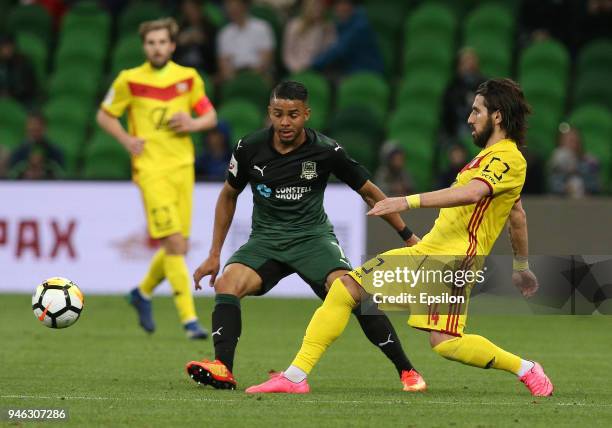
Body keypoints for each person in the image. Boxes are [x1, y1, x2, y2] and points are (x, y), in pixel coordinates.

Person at [246, 78, 554, 397]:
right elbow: (516, 214)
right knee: (346, 288)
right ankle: (296, 376)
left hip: (453, 261)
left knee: (446, 344)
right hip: (430, 253)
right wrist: (520, 266)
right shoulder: (487, 158)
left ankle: (526, 368)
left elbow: (474, 193)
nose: (470, 118)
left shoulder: (508, 157)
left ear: (498, 116)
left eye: (477, 111)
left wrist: (406, 201)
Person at [185, 81, 426, 392]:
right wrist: (215, 253)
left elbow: (369, 191)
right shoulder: (248, 148)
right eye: (278, 114)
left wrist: (407, 235)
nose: (285, 122)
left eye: (293, 115)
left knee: (352, 292)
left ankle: (407, 370)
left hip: (312, 238)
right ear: (269, 113)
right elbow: (228, 195)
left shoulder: (327, 150)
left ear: (307, 114)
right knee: (227, 283)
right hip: (267, 240)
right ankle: (223, 368)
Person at [96, 17, 218, 339]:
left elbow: (210, 116)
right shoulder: (129, 80)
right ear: (144, 47)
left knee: (177, 243)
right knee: (176, 245)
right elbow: (104, 115)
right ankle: (189, 320)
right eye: (151, 43)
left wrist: (192, 124)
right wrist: (126, 140)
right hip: (150, 170)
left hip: (183, 167)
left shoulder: (188, 78)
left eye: (162, 42)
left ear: (172, 45)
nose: (157, 47)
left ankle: (141, 292)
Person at [310, 0, 384, 77]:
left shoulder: (359, 26)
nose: (336, 9)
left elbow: (339, 50)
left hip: (367, 72)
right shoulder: (345, 24)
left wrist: (312, 65)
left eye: (339, 5)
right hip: (352, 70)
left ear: (348, 5)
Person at [217, 0, 276, 82]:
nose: (232, 9)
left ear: (244, 6)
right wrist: (234, 79)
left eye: (235, 6)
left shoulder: (262, 27)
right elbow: (224, 64)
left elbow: (266, 60)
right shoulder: (225, 33)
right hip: (235, 76)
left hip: (259, 74)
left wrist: (250, 77)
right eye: (229, 6)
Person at [282, 0, 336, 74]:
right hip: (296, 69)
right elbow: (288, 54)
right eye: (315, 6)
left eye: (320, 6)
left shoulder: (327, 26)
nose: (318, 9)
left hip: (318, 70)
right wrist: (297, 69)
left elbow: (329, 52)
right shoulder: (294, 25)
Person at [549, 126, 600, 197]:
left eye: (574, 140)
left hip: (586, 201)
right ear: (561, 142)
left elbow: (595, 186)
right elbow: (553, 186)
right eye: (569, 140)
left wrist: (578, 169)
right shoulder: (557, 162)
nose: (572, 144)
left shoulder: (589, 161)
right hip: (562, 202)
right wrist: (565, 188)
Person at [175, 0, 218, 74]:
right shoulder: (180, 28)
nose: (190, 13)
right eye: (187, 10)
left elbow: (214, 58)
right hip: (183, 69)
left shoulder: (210, 29)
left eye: (192, 9)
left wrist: (202, 42)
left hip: (204, 70)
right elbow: (173, 57)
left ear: (200, 9)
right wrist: (180, 44)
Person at [0, 33, 38, 106]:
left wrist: (10, 94)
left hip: (22, 101)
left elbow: (29, 87)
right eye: (3, 48)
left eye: (8, 47)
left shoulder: (23, 63)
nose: (6, 50)